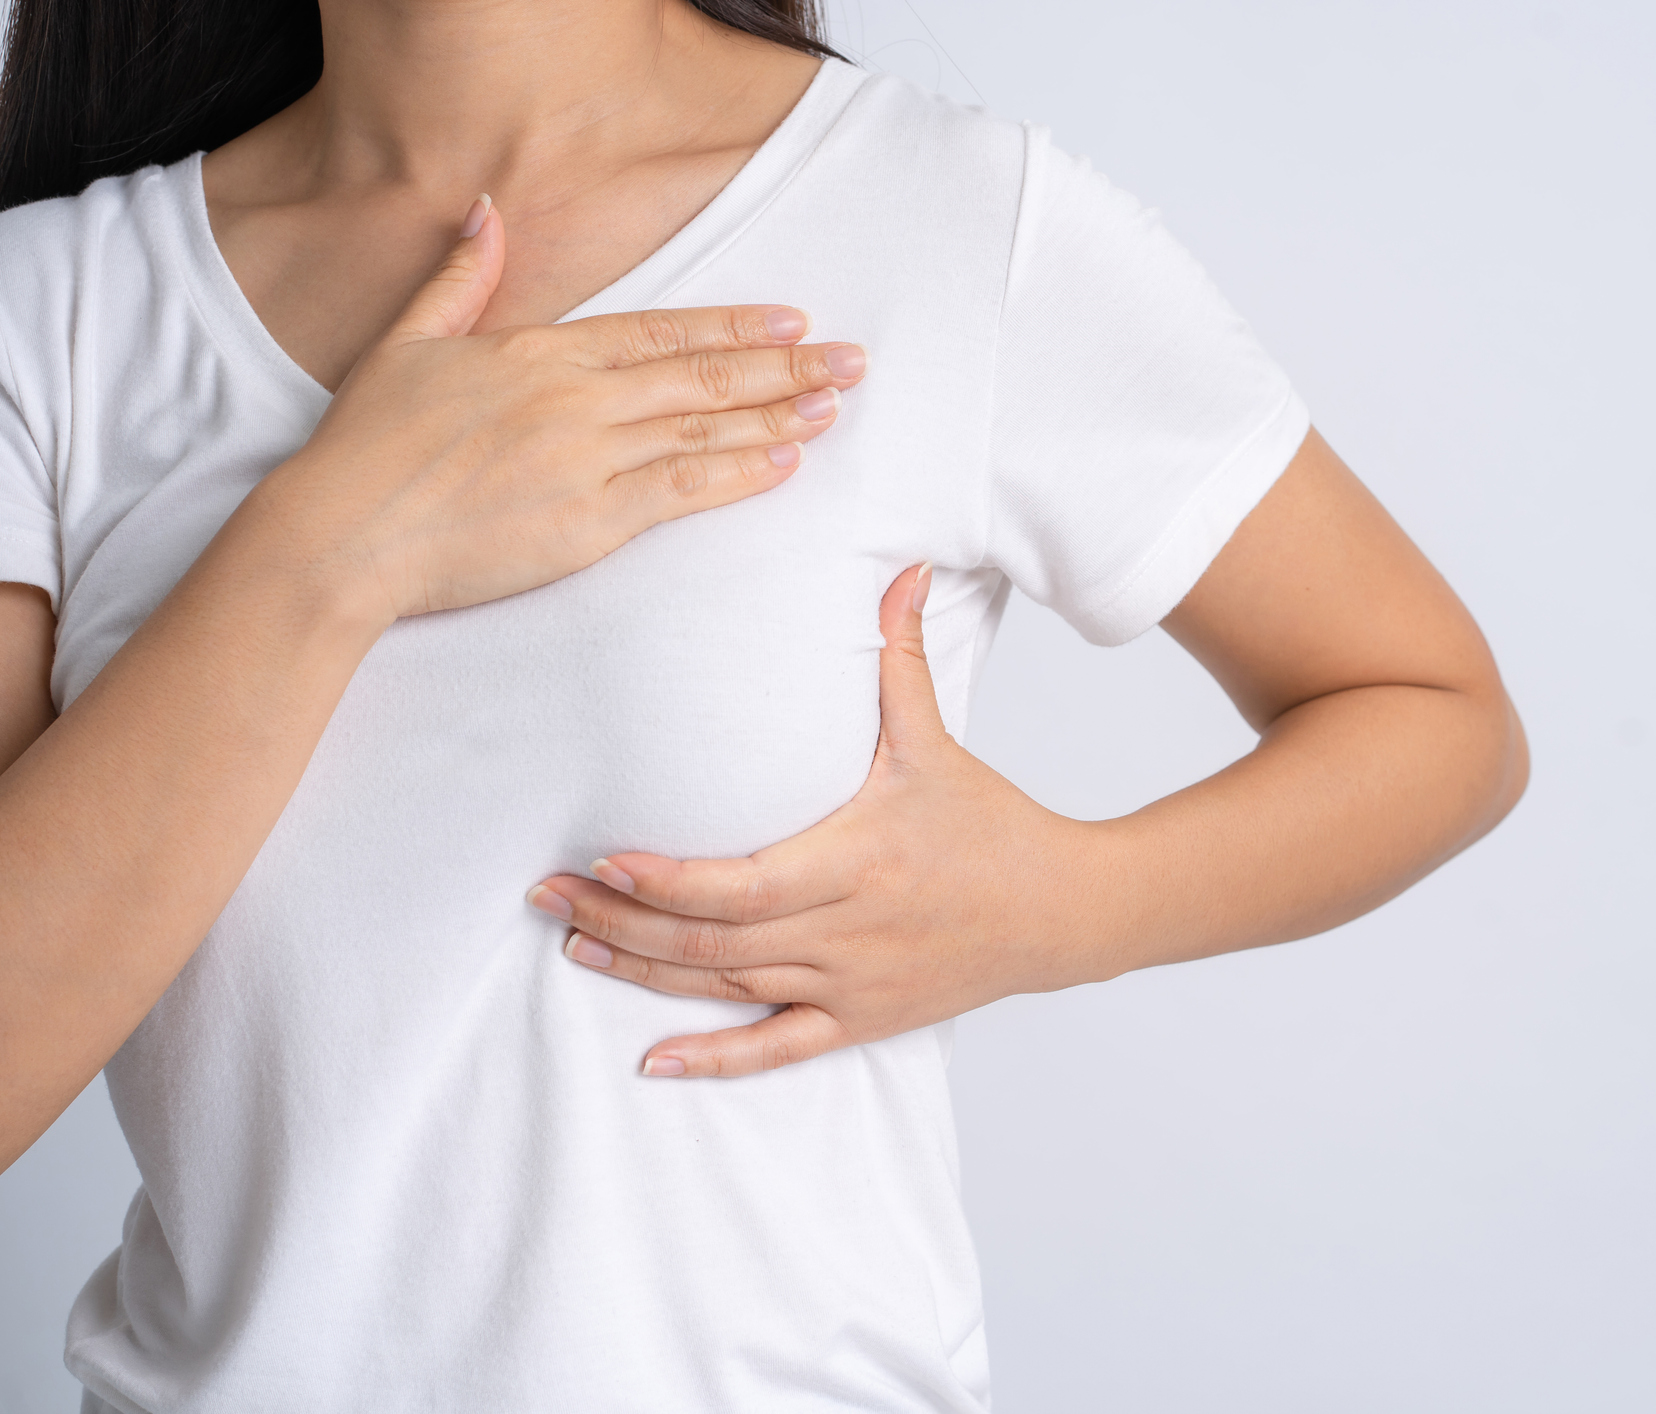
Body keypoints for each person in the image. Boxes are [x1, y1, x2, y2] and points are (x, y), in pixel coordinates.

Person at [0, 0, 1529, 1407]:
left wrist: (1061, 903)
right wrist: (329, 550)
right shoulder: (48, 309)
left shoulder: (952, 219)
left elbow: (1434, 710)